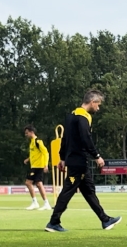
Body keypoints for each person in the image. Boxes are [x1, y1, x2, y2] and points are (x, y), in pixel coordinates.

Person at [45, 90, 121, 232]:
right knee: (68, 190)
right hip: (78, 161)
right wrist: (97, 156)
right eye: (98, 105)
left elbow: (65, 139)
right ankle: (53, 222)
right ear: (92, 102)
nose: (98, 108)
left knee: (89, 191)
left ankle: (105, 220)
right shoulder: (83, 117)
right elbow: (86, 139)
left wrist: (62, 157)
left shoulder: (71, 116)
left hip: (74, 160)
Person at [23, 126, 52, 211]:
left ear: (31, 132)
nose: (26, 134)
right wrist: (28, 159)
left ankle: (42, 203)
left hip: (39, 166)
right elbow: (35, 154)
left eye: (27, 132)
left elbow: (45, 153)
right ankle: (38, 202)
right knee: (33, 183)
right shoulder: (31, 142)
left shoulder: (38, 141)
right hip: (34, 166)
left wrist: (46, 165)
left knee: (34, 183)